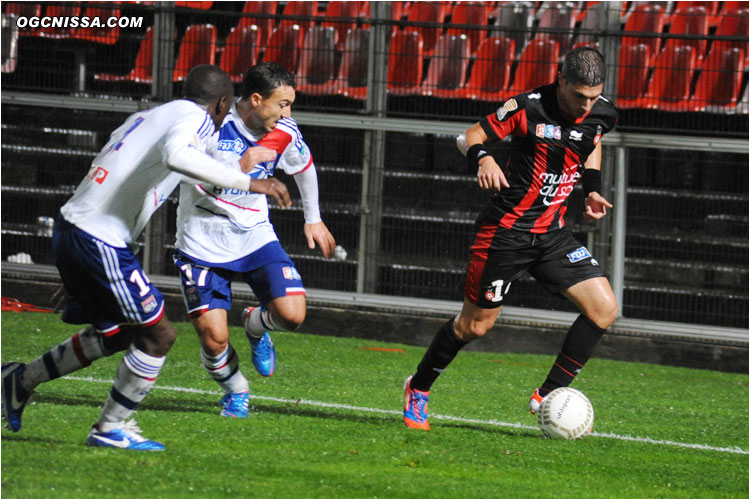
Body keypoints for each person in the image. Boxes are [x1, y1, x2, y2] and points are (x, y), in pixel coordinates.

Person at [1, 65, 289, 450]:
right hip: (96, 238)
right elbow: (178, 156)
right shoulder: (194, 117)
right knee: (158, 335)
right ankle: (109, 428)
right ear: (222, 103)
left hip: (77, 229)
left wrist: (80, 263)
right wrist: (251, 181)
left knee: (118, 333)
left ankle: (19, 381)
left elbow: (142, 174)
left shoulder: (145, 118)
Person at [402, 47, 619, 430]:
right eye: (579, 96)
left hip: (553, 234)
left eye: (593, 96)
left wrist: (592, 189)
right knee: (475, 327)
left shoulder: (603, 112)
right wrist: (484, 158)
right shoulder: (526, 107)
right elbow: (469, 136)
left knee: (604, 308)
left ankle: (548, 396)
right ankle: (418, 387)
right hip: (506, 234)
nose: (587, 105)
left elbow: (591, 141)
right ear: (561, 80)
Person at [172, 62, 336, 418]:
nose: (288, 113)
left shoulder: (282, 128)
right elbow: (185, 174)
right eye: (283, 104)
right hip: (202, 237)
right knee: (214, 339)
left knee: (292, 314)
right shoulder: (211, 124)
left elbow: (303, 166)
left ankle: (254, 324)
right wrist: (238, 171)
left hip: (254, 232)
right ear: (257, 99)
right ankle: (236, 390)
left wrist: (314, 218)